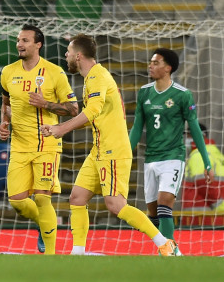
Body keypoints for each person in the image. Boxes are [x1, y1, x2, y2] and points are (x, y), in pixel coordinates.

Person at [41, 34, 180, 256]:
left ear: (78, 55)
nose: (65, 55)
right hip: (98, 150)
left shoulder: (98, 76)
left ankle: (165, 243)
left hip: (113, 150)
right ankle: (77, 253)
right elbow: (92, 114)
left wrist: (61, 129)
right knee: (77, 197)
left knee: (115, 205)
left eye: (68, 51)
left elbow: (92, 111)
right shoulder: (91, 78)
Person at [0, 24, 79, 255]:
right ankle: (43, 226)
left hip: (47, 144)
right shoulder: (8, 72)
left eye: (25, 40)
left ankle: (51, 256)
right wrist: (4, 123)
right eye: (18, 40)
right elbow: (6, 103)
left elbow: (73, 109)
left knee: (43, 199)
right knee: (18, 202)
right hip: (20, 145)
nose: (19, 45)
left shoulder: (55, 72)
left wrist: (46, 104)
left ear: (38, 44)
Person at [129, 48, 214, 245]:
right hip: (150, 158)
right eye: (151, 62)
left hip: (173, 157)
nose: (150, 65)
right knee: (153, 211)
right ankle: (162, 247)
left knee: (164, 201)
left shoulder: (182, 95)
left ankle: (170, 249)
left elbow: (194, 128)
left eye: (156, 62)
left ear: (167, 68)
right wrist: (127, 153)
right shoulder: (144, 92)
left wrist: (206, 161)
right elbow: (136, 127)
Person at [184, 123, 224, 209]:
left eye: (189, 135)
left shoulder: (199, 155)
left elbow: (204, 184)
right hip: (216, 216)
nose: (187, 139)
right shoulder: (217, 155)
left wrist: (220, 206)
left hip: (201, 217)